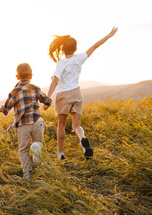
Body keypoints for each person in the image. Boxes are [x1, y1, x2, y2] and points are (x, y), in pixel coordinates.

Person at [45, 27, 118, 160]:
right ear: (75, 48)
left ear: (62, 49)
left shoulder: (61, 63)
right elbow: (95, 45)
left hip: (63, 95)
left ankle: (61, 153)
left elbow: (55, 81)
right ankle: (82, 141)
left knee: (61, 124)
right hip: (77, 93)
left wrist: (47, 98)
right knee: (76, 126)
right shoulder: (79, 58)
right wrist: (109, 35)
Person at [0, 63, 52, 179]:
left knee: (23, 150)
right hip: (38, 121)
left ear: (17, 77)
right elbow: (47, 100)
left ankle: (27, 173)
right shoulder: (35, 88)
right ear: (31, 75)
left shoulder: (14, 91)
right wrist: (46, 104)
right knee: (38, 145)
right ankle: (40, 171)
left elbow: (5, 108)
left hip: (24, 125)